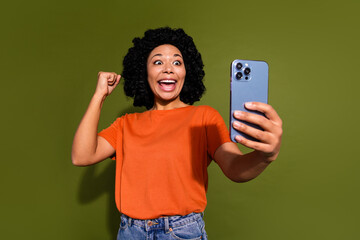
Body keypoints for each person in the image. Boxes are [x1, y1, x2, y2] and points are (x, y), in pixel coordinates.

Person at [71, 27, 282, 240]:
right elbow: (82, 156)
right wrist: (100, 95)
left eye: (177, 62)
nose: (168, 69)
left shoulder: (204, 117)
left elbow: (235, 168)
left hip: (181, 232)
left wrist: (265, 156)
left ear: (186, 72)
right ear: (144, 72)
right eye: (158, 62)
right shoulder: (126, 124)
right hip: (130, 232)